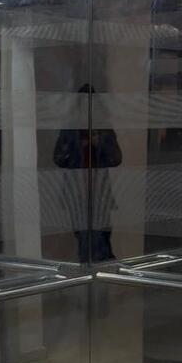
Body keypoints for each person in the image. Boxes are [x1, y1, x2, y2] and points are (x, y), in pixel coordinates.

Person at [53, 83, 122, 264]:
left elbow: (116, 158)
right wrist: (76, 146)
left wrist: (99, 142)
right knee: (83, 237)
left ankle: (101, 268)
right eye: (83, 104)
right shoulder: (70, 128)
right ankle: (90, 269)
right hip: (77, 192)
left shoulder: (104, 128)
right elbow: (58, 158)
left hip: (100, 193)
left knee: (102, 236)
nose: (87, 109)